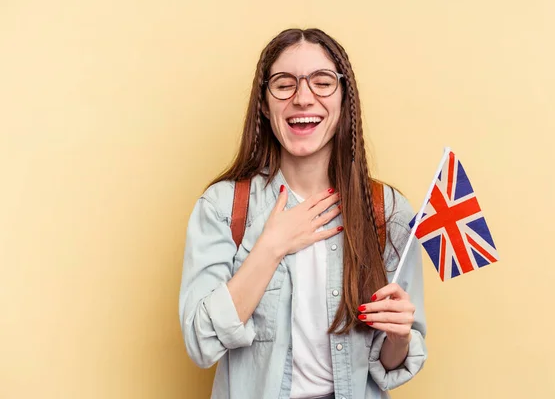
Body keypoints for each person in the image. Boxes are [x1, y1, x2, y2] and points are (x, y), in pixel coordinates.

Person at [179, 28, 427, 399]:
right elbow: (200, 343)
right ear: (264, 102)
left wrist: (399, 336)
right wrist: (271, 247)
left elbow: (390, 366)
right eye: (284, 84)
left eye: (322, 83)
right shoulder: (223, 207)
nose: (303, 98)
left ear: (344, 98)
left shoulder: (386, 211)